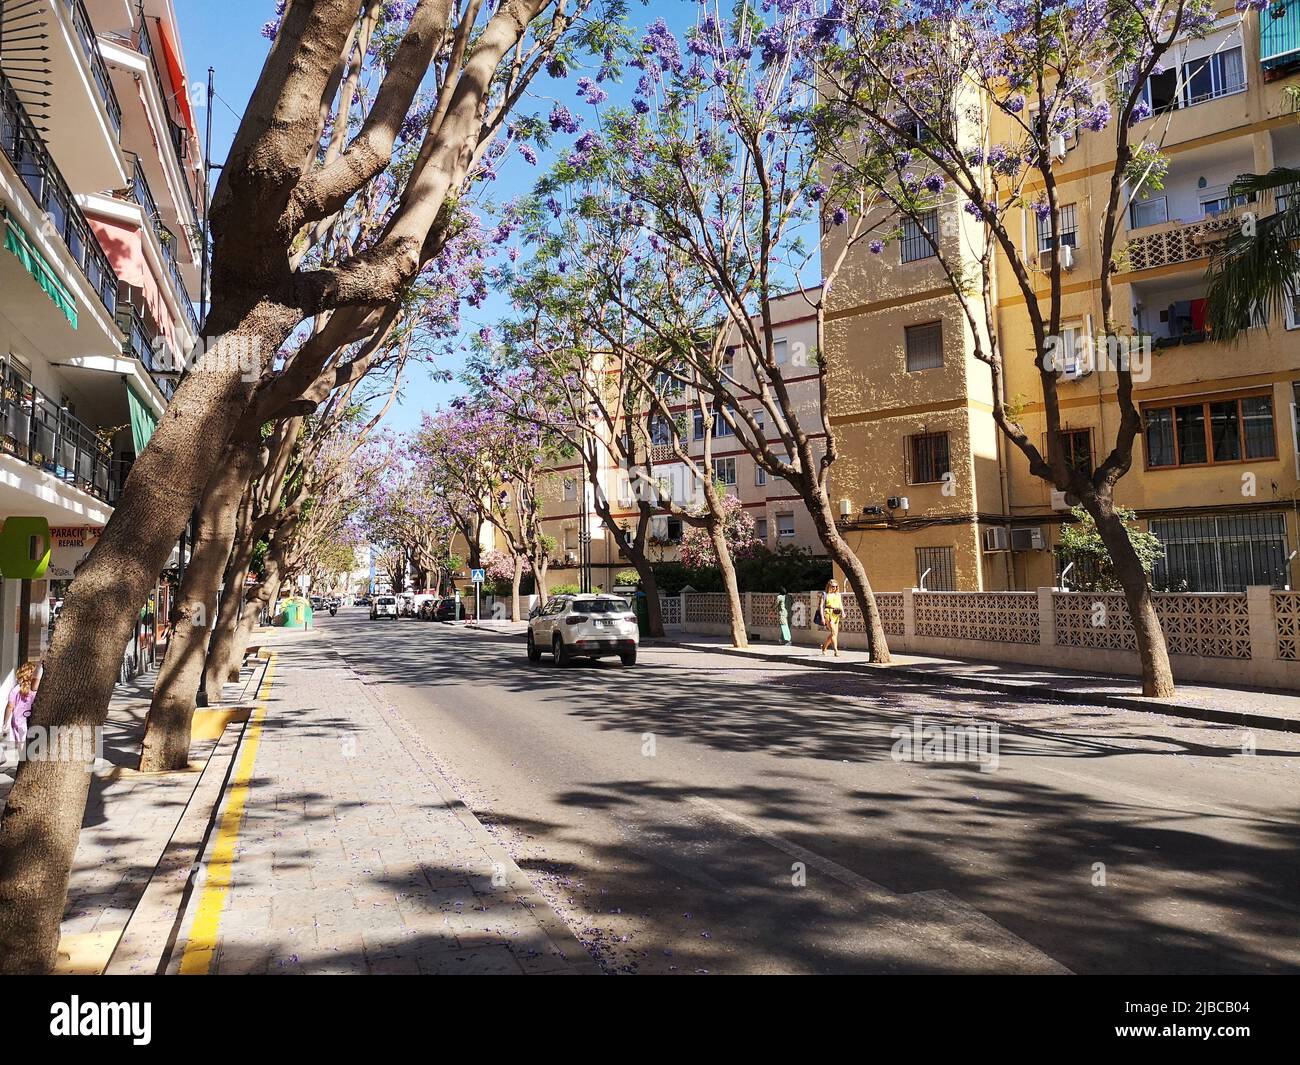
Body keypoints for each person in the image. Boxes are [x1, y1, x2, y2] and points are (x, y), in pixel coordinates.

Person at [3, 660, 41, 750]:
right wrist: (40, 666)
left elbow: (10, 706)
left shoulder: (15, 689)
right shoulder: (34, 688)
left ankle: (22, 760)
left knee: (21, 747)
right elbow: (38, 678)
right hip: (29, 720)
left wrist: (5, 722)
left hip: (16, 721)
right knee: (31, 745)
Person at [820, 579, 844, 657]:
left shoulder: (838, 594)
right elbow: (821, 606)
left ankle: (824, 647)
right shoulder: (825, 594)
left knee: (834, 634)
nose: (834, 588)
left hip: (836, 614)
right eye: (833, 586)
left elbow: (840, 604)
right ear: (829, 586)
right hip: (828, 613)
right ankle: (836, 651)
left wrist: (843, 612)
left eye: (836, 586)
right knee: (834, 632)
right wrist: (822, 618)